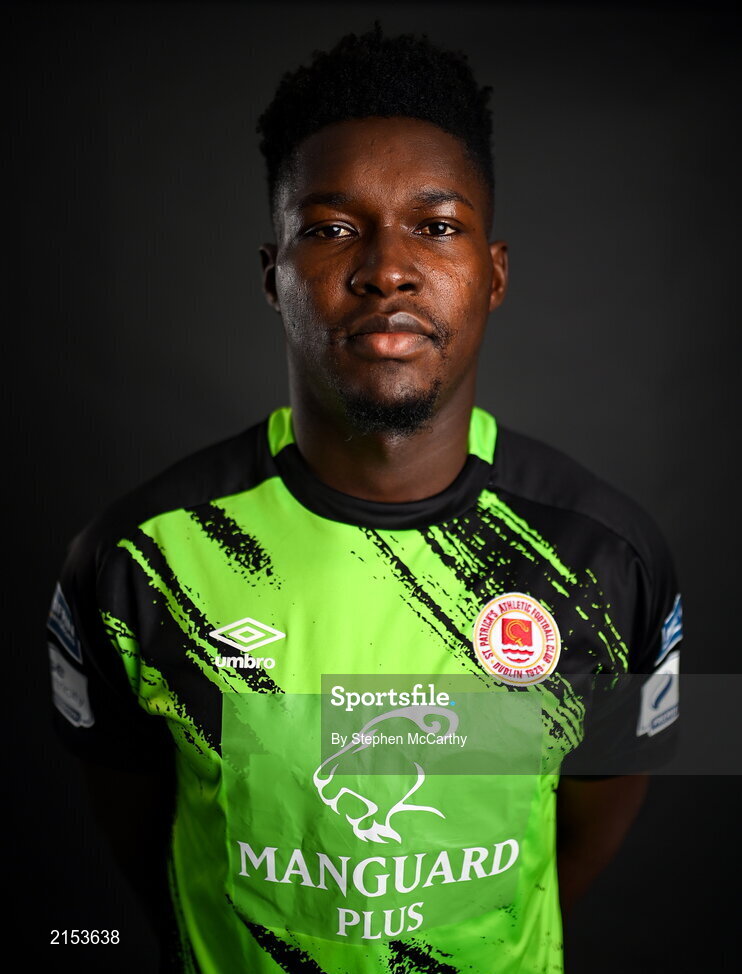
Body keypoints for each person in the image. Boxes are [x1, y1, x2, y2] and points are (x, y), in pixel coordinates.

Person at [46, 24, 682, 974]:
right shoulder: (142, 557)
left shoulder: (607, 557)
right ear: (274, 276)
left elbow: (589, 823)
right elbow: (146, 843)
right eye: (333, 228)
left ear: (493, 274)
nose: (387, 268)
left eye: (435, 225)